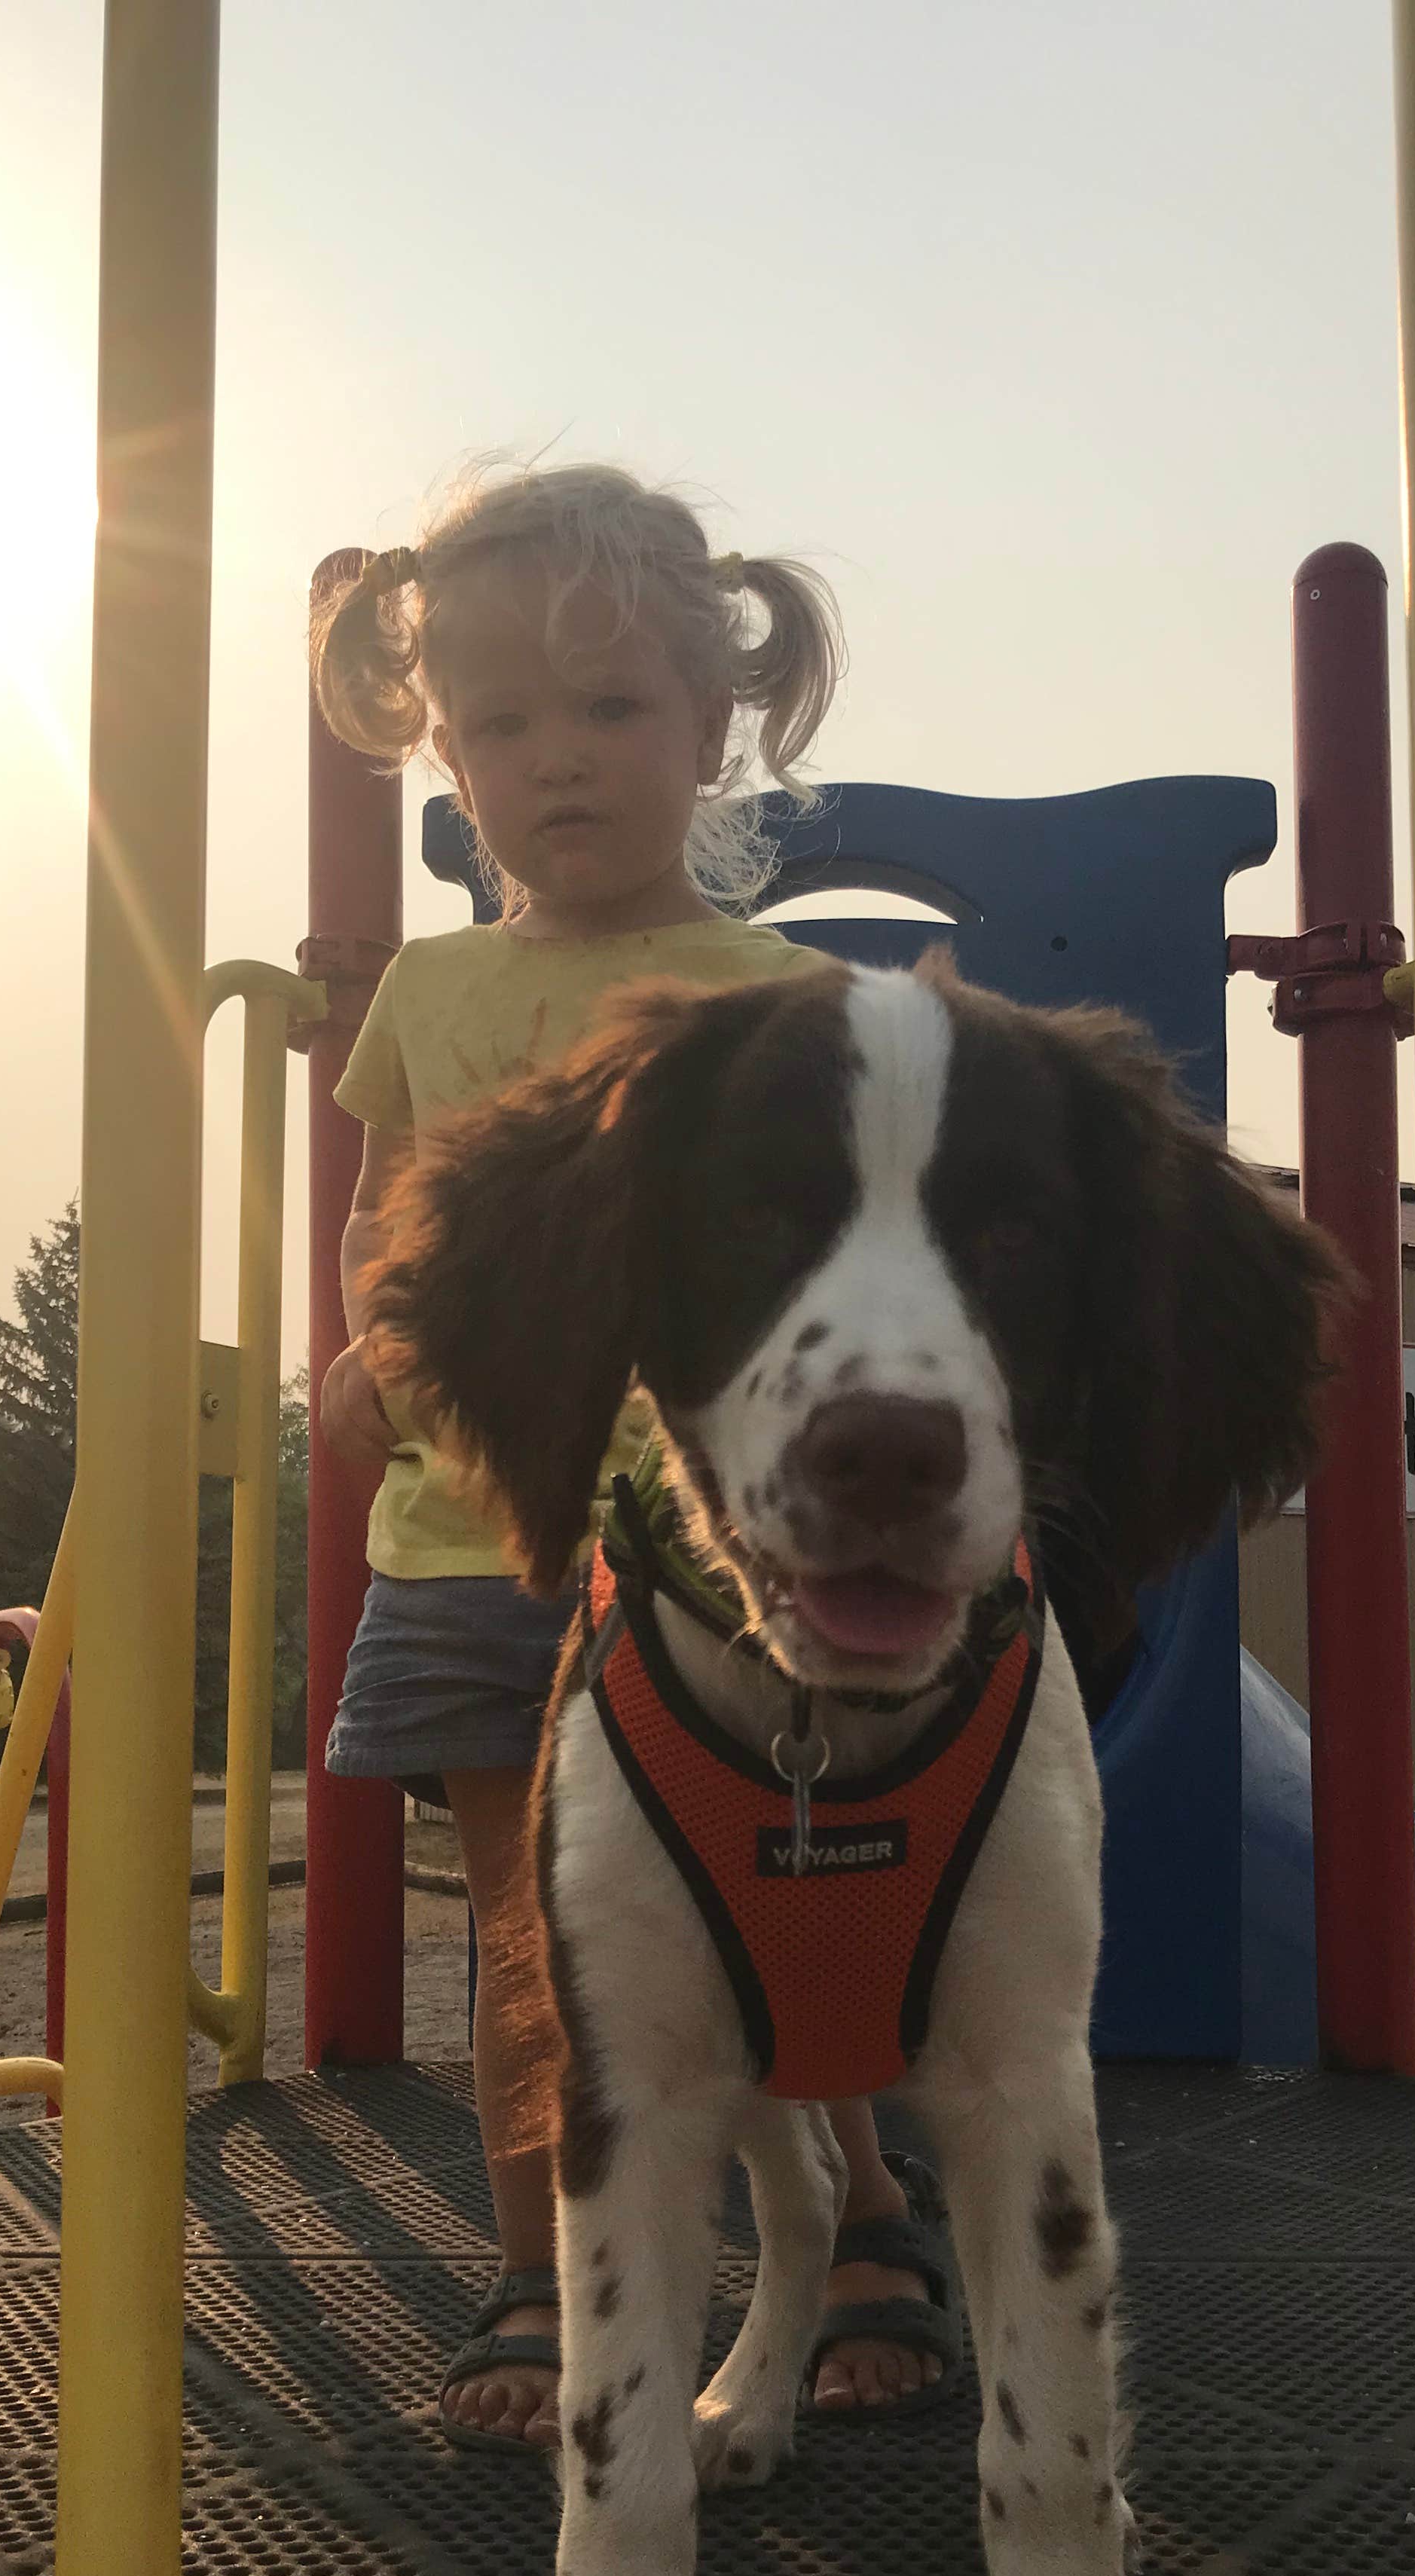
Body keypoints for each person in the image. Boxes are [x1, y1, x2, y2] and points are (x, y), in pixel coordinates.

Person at [310, 463, 963, 2454]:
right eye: (499, 723)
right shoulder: (431, 995)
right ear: (443, 753)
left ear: (710, 729)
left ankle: (856, 2218)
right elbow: (388, 1219)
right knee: (530, 1921)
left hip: (720, 1553)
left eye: (608, 714)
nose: (555, 762)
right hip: (478, 1540)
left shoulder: (786, 1001)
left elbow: (862, 1257)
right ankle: (538, 2264)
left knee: (777, 1882)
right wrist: (376, 1347)